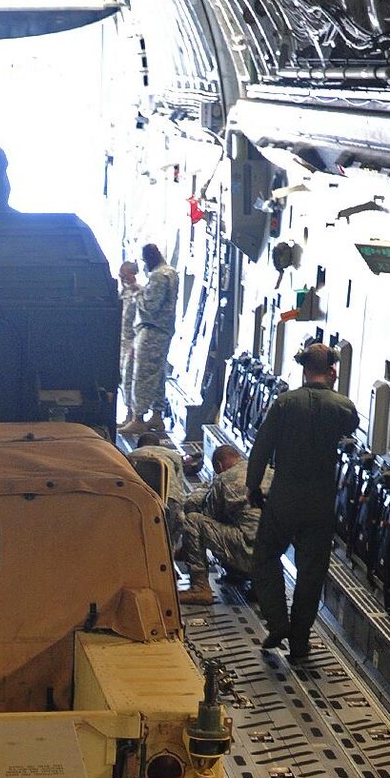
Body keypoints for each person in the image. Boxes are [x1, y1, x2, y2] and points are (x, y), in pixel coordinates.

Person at [246, 342, 359, 666]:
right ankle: (300, 643)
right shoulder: (342, 407)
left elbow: (262, 447)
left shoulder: (284, 404)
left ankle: (277, 621)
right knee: (311, 574)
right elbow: (350, 426)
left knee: (265, 557)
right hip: (321, 504)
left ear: (303, 369)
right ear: (333, 371)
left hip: (284, 499)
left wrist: (253, 487)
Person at [178, 442, 257, 605]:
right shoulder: (269, 471)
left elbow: (210, 515)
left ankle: (200, 588)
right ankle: (254, 584)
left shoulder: (225, 478)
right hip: (273, 555)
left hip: (248, 552)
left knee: (194, 521)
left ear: (220, 465)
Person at [119, 243, 177, 436]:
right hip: (162, 330)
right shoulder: (169, 272)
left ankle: (138, 418)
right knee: (157, 374)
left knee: (142, 374)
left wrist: (137, 294)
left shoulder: (159, 276)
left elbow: (151, 305)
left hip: (152, 330)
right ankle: (157, 415)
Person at [117, 259, 139, 422]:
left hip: (133, 342)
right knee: (123, 379)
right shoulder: (122, 293)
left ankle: (132, 414)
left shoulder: (139, 293)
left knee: (130, 379)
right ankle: (128, 412)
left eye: (125, 275)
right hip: (122, 341)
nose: (123, 279)